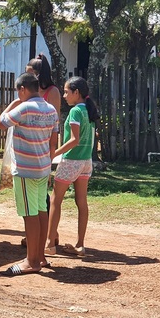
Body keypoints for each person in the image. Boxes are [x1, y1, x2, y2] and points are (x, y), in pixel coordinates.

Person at [0, 72, 58, 275]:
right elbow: (53, 141)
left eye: (18, 91)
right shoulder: (50, 109)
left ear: (22, 89)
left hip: (25, 169)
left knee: (29, 215)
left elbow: (0, 123)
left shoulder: (23, 108)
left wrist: (13, 103)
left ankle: (31, 262)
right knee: (41, 211)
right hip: (43, 168)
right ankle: (39, 257)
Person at [45, 77, 98, 257]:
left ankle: (50, 244)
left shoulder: (75, 111)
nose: (64, 95)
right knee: (81, 202)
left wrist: (54, 154)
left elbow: (74, 140)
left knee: (55, 200)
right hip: (86, 162)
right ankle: (80, 245)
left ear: (77, 93)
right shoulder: (89, 111)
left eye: (67, 91)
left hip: (71, 161)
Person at [21, 54, 61, 247]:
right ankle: (34, 234)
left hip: (43, 151)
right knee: (32, 200)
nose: (28, 78)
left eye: (31, 74)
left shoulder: (52, 92)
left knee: (41, 199)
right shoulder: (29, 93)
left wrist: (51, 157)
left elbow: (54, 126)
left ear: (38, 74)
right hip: (28, 152)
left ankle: (48, 236)